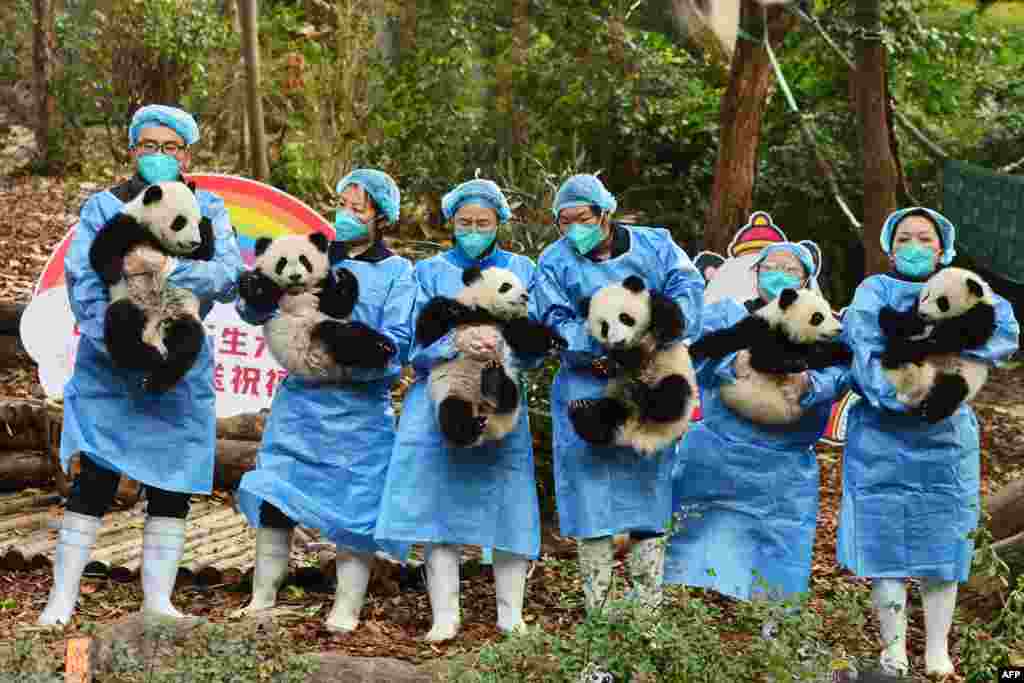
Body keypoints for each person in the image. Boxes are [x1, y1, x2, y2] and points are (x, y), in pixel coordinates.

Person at [38, 104, 243, 625]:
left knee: (171, 486)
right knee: (94, 482)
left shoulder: (209, 207)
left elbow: (225, 274)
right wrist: (118, 340)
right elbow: (85, 281)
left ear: (187, 154)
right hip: (110, 368)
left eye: (170, 147)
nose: (158, 156)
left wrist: (166, 274)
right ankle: (62, 599)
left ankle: (158, 602)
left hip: (177, 368)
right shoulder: (102, 208)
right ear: (132, 150)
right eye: (148, 146)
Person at [838, 207, 1019, 677]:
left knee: (945, 546)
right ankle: (892, 652)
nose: (914, 246)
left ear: (942, 246)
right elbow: (860, 344)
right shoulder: (873, 291)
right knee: (885, 549)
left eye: (924, 238)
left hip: (946, 438)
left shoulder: (962, 282)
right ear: (889, 245)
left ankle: (938, 650)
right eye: (904, 238)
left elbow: (1003, 330)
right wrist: (894, 397)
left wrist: (951, 345)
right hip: (881, 435)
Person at [233, 169, 415, 633]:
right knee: (275, 495)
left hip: (360, 410)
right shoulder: (309, 253)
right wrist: (254, 298)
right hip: (301, 407)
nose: (347, 214)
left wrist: (356, 350)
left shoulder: (397, 272)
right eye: (343, 203)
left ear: (382, 217)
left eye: (360, 208)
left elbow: (397, 343)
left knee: (358, 512)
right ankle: (262, 597)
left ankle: (346, 608)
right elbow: (262, 299)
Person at [374, 178, 543, 641]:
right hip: (439, 399)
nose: (473, 229)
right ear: (451, 223)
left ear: (499, 224)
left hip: (499, 396)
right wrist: (455, 342)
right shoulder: (427, 272)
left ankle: (511, 615)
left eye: (482, 223)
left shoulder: (523, 268)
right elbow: (411, 342)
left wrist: (501, 346)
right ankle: (444, 616)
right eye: (464, 222)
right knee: (437, 507)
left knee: (510, 506)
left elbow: (537, 340)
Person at [532, 173, 704, 613]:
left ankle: (646, 616)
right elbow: (553, 319)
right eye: (564, 222)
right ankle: (600, 615)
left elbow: (688, 290)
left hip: (650, 374)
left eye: (582, 218)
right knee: (592, 507)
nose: (574, 230)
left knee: (648, 500)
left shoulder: (657, 246)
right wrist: (598, 346)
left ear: (605, 213)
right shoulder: (555, 260)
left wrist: (661, 327)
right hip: (588, 379)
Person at [664, 242, 848, 611]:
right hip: (717, 455)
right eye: (770, 266)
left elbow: (843, 369)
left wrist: (810, 384)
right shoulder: (727, 314)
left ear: (806, 279)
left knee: (778, 550)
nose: (779, 273)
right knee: (695, 540)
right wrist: (733, 365)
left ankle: (771, 627)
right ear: (755, 274)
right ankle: (688, 614)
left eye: (791, 269)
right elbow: (697, 355)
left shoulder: (823, 321)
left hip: (782, 468)